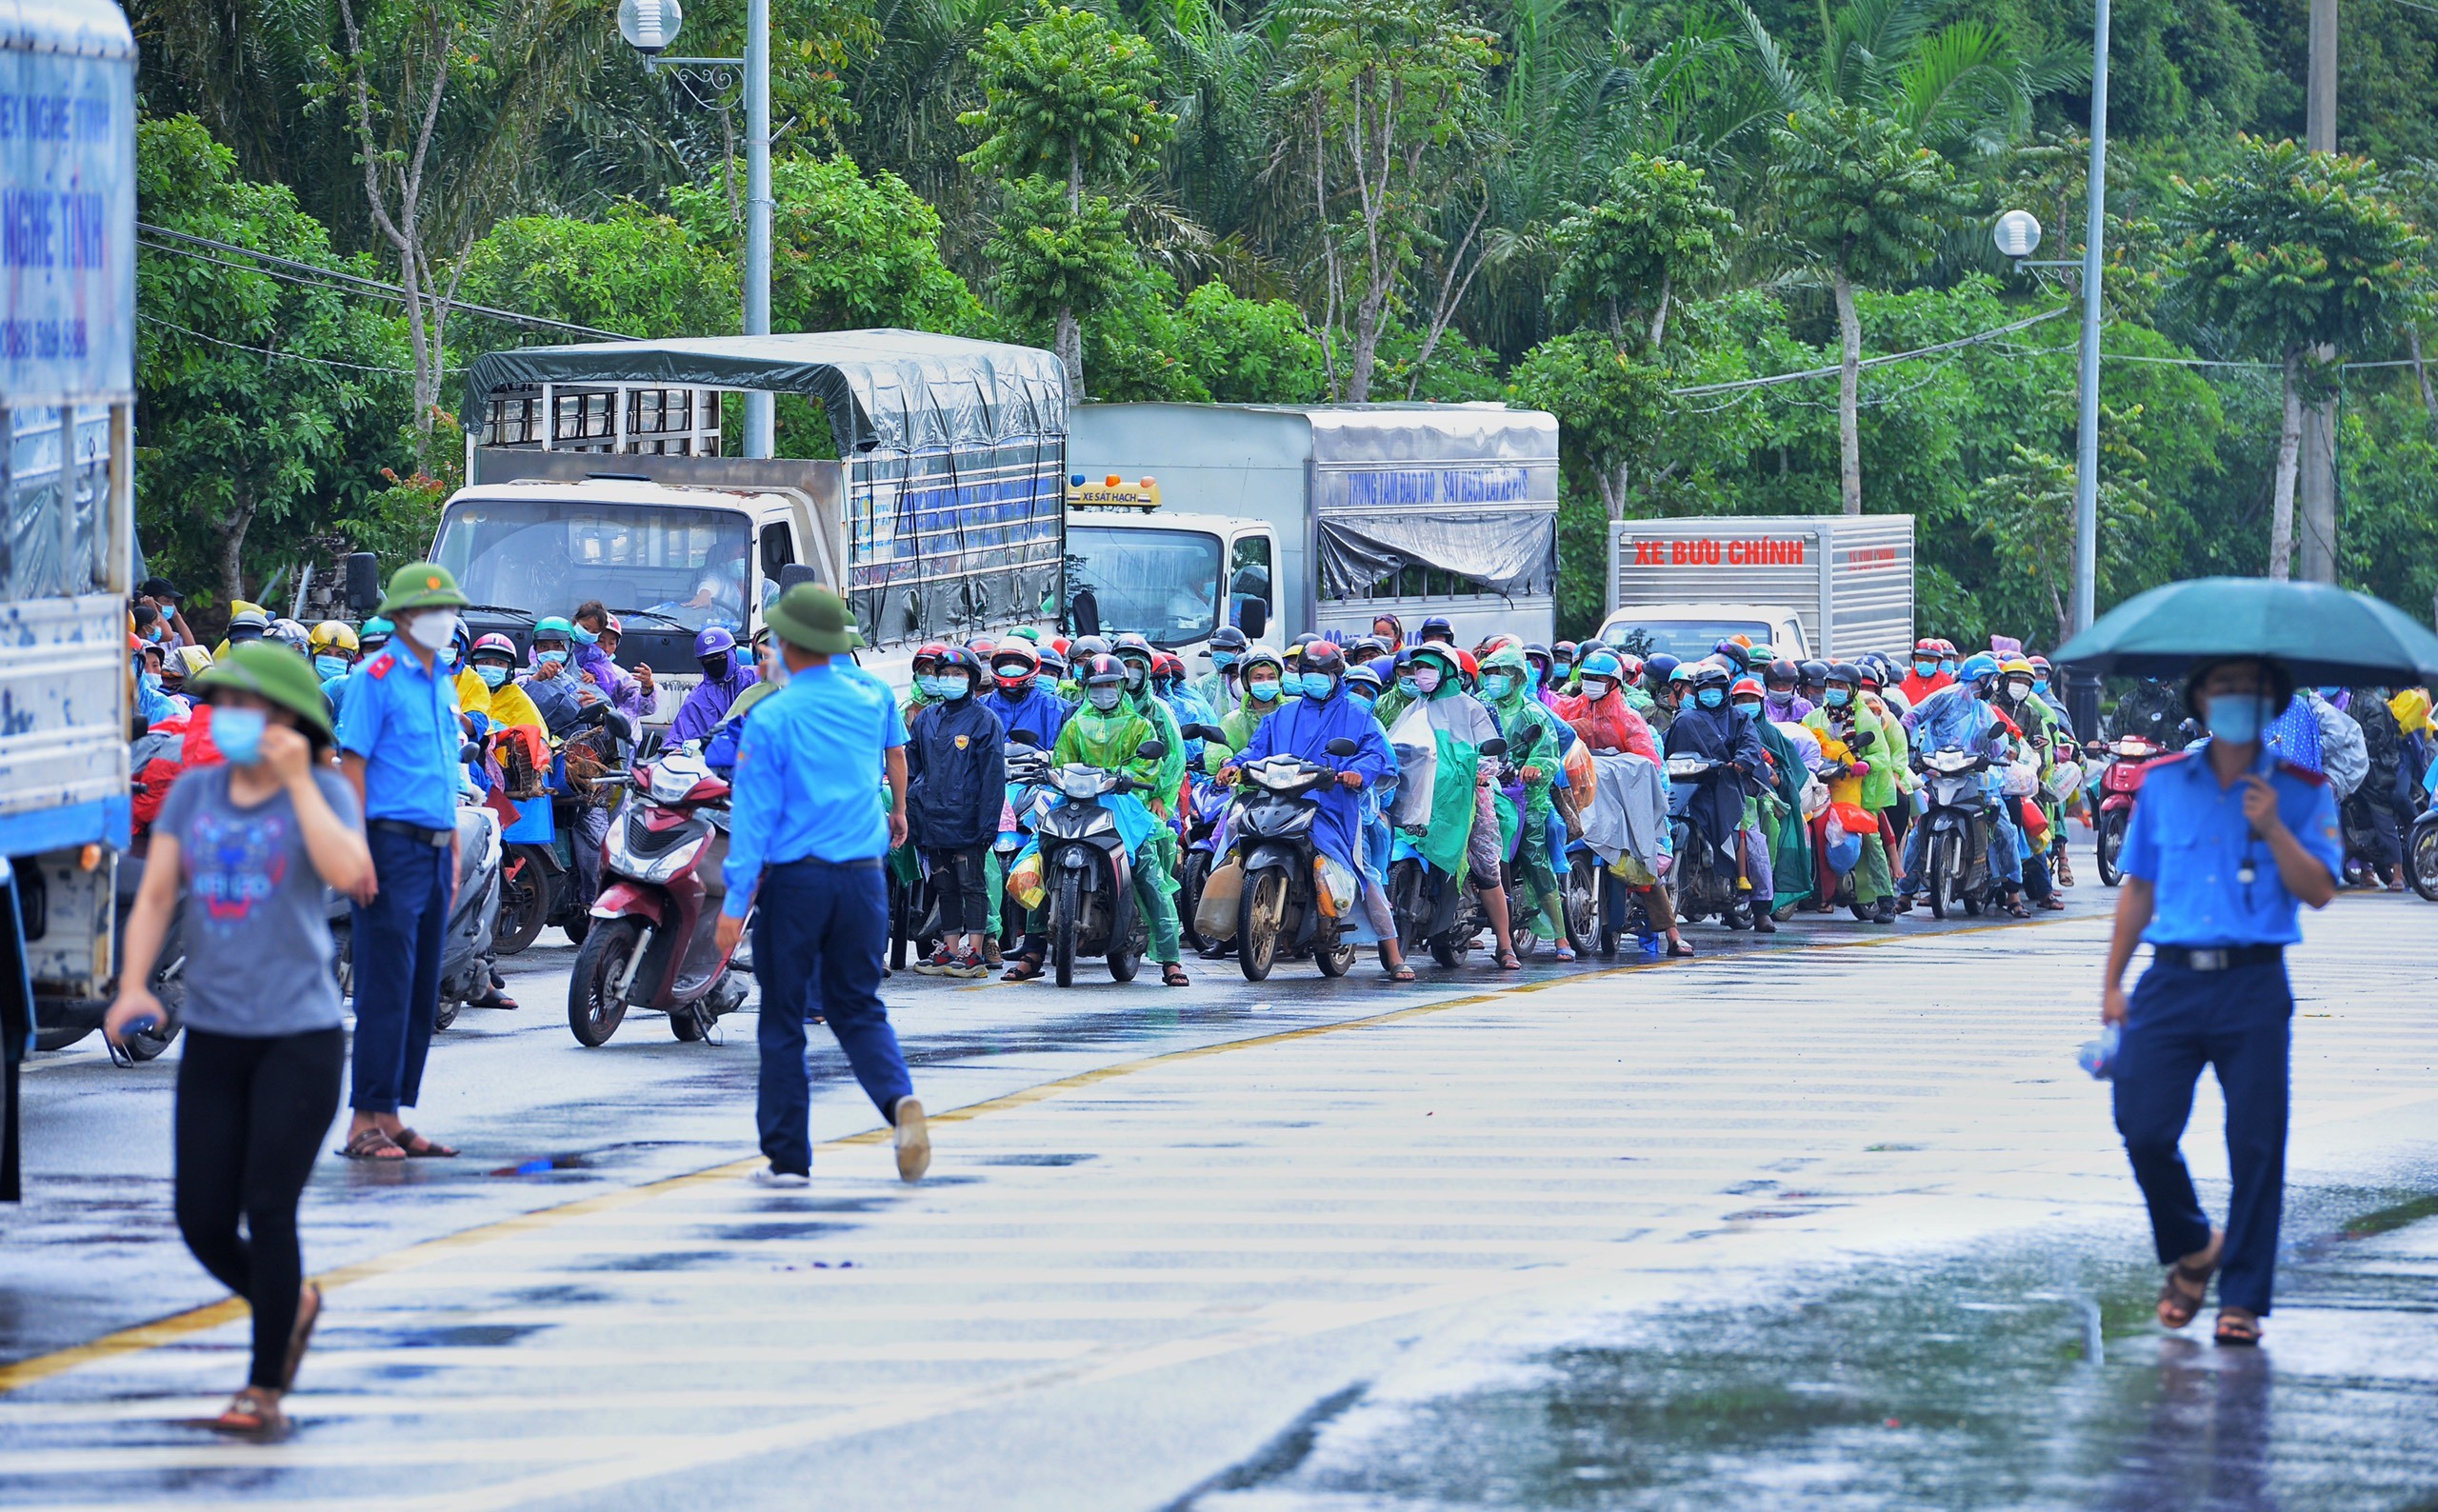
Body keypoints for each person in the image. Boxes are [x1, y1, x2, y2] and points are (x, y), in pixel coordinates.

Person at [103, 643, 371, 1438]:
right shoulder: (195, 795)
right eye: (221, 705)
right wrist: (130, 984)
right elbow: (157, 893)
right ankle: (292, 1302)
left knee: (269, 1205)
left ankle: (262, 1390)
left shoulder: (320, 789)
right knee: (201, 1218)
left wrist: (295, 780)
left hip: (300, 1037)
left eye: (246, 706)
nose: (229, 721)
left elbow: (348, 870)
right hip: (216, 1034)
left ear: (287, 719)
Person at [2103, 655, 2339, 1349]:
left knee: (2257, 1143)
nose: (2236, 700)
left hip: (2253, 981)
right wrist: (2112, 983)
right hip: (2169, 981)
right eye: (2223, 687)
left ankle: (2242, 1299)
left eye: (2251, 691)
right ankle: (2194, 1245)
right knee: (2142, 1125)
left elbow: (2320, 889)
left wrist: (2272, 827)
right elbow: (2138, 888)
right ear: (2200, 699)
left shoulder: (2301, 790)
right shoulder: (2165, 784)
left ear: (2274, 706)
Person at [717, 583, 927, 1186]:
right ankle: (897, 1102)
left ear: (791, 644)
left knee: (783, 1017)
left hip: (799, 880)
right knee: (858, 1006)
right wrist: (898, 815)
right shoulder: (869, 698)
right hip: (863, 880)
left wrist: (735, 903)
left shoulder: (773, 716)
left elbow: (754, 817)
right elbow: (892, 764)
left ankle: (787, 1158)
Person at [332, 563, 471, 1163]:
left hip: (437, 847)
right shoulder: (375, 677)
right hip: (388, 846)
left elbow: (441, 766)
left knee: (419, 988)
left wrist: (454, 840)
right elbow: (354, 769)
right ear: (405, 616)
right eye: (437, 611)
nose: (448, 620)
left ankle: (390, 1115)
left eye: (452, 611)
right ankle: (363, 1121)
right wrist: (356, 849)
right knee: (385, 987)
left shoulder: (441, 679)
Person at [1220, 641, 1411, 980]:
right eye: (1308, 673)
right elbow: (1255, 749)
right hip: (1279, 802)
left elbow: (1375, 754)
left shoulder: (1357, 714)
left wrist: (1357, 773)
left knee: (1363, 873)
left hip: (1333, 809)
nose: (1314, 679)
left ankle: (1393, 954)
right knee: (1232, 839)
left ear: (1337, 676)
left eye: (1322, 674)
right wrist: (1233, 765)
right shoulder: (1283, 715)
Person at [1003, 655, 1190, 986]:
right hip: (1073, 800)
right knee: (1039, 858)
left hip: (1121, 805)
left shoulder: (1139, 726)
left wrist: (1126, 776)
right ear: (1086, 689)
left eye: (1110, 685)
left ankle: (1170, 959)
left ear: (1121, 687)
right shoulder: (1075, 723)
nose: (1103, 691)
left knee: (1147, 872)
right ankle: (1032, 952)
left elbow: (1149, 767)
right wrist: (1053, 773)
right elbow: (1062, 760)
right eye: (1097, 686)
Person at [1405, 643, 1521, 967]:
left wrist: (1482, 773)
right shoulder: (1414, 708)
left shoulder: (1471, 707)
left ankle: (1504, 943)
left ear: (1447, 671)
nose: (1421, 674)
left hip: (1468, 797)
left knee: (1485, 867)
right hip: (1425, 796)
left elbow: (1489, 753)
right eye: (1418, 668)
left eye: (1428, 667)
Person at [905, 648, 1007, 979]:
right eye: (945, 673)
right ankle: (949, 949)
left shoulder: (985, 721)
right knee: (944, 886)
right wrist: (912, 804)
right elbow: (913, 767)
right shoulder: (926, 719)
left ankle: (974, 951)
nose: (950, 680)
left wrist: (987, 824)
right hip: (932, 817)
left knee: (971, 885)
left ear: (973, 680)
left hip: (969, 818)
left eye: (958, 675)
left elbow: (992, 778)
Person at [1478, 644, 1573, 957]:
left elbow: (1548, 755)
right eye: (1490, 673)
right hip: (1480, 791)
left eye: (1502, 673)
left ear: (1518, 678)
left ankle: (1560, 937)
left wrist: (1534, 768)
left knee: (1536, 859)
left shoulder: (1532, 713)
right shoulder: (1478, 706)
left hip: (1525, 796)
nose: (1495, 679)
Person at [1663, 663, 1768, 927]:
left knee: (1752, 840)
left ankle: (1762, 904)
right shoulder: (1685, 719)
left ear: (1724, 691)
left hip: (1726, 783)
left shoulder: (1739, 718)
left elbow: (1750, 743)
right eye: (1704, 689)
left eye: (1715, 689)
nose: (1710, 694)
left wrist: (1741, 760)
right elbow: (1663, 744)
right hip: (1687, 784)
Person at [1804, 664, 1898, 922]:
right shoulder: (1815, 717)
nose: (1834, 691)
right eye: (1830, 686)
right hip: (1823, 783)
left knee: (1870, 840)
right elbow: (1803, 741)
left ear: (1853, 690)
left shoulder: (1865, 718)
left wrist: (1865, 764)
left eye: (1840, 687)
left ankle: (1885, 899)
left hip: (1860, 790)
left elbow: (1881, 755)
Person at [671, 627, 758, 745]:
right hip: (712, 759)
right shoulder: (696, 699)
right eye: (708, 661)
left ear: (733, 652)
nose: (715, 664)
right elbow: (677, 740)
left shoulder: (756, 678)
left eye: (720, 657)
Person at [1195, 626, 1249, 712]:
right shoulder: (1202, 684)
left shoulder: (1247, 682)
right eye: (1216, 649)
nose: (1221, 654)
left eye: (1228, 649)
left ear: (1240, 651)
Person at [1897, 638, 1950, 707]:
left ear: (1938, 662)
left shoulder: (1947, 682)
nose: (1925, 662)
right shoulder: (1905, 683)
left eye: (1930, 660)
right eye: (1920, 659)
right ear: (1914, 660)